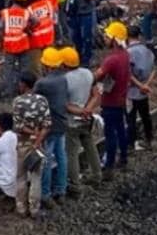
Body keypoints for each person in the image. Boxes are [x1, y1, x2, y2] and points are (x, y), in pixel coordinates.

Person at [61, 46, 102, 193]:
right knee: (90, 145)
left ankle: (75, 183)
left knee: (71, 152)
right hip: (87, 119)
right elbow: (96, 94)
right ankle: (97, 175)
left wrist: (80, 111)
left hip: (72, 121)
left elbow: (65, 105)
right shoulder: (87, 73)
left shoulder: (64, 80)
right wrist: (88, 110)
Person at [33, 48, 70, 205]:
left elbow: (33, 99)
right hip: (62, 123)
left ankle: (46, 194)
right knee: (61, 156)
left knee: (46, 160)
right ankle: (61, 190)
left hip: (48, 127)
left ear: (46, 65)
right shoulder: (63, 79)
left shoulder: (43, 83)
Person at [11, 73, 50, 217]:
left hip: (23, 143)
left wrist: (31, 133)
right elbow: (47, 124)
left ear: (23, 84)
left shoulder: (18, 101)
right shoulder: (43, 100)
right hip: (38, 145)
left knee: (21, 176)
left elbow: (18, 126)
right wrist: (38, 140)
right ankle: (35, 209)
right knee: (36, 177)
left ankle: (21, 208)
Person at [95, 21, 131, 172]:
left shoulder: (112, 59)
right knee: (121, 129)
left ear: (114, 39)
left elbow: (97, 75)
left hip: (110, 101)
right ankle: (123, 157)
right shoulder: (125, 55)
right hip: (121, 98)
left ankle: (109, 163)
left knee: (110, 134)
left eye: (108, 36)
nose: (105, 38)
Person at [125, 26, 155, 151]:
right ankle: (148, 139)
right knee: (145, 116)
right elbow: (154, 70)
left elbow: (129, 74)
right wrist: (146, 85)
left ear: (127, 37)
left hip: (132, 92)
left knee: (130, 118)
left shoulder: (128, 53)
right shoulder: (147, 50)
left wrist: (139, 85)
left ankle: (131, 143)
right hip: (144, 92)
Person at [0, 0, 32, 94]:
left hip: (9, 45)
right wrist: (28, 28)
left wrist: (0, 44)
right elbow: (37, 21)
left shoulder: (5, 13)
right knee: (24, 68)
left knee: (9, 69)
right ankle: (23, 89)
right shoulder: (26, 12)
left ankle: (9, 91)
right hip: (23, 44)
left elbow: (1, 30)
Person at [66, 0, 99, 67]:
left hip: (85, 11)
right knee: (75, 36)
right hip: (73, 11)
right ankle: (78, 55)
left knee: (86, 36)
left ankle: (87, 59)